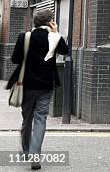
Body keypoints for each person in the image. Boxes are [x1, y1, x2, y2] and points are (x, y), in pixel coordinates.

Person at [8, 9, 69, 170]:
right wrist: (56, 33)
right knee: (41, 118)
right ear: (50, 22)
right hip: (46, 86)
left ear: (34, 22)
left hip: (26, 85)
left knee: (26, 119)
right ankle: (35, 155)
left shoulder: (24, 37)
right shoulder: (53, 38)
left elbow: (15, 59)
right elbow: (65, 51)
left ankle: (27, 151)